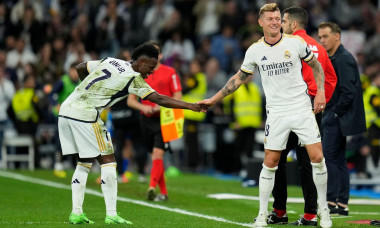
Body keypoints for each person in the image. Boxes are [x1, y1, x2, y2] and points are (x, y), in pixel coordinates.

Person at [199, 3, 332, 228]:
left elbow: (317, 66)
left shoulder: (296, 43)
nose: (275, 21)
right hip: (276, 113)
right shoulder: (255, 50)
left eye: (278, 18)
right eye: (270, 18)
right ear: (260, 22)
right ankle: (263, 214)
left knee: (316, 158)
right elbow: (237, 79)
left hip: (301, 108)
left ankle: (323, 210)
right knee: (270, 163)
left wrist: (320, 92)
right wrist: (212, 100)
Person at [58, 42, 205, 224]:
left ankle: (76, 213)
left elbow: (80, 67)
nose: (151, 72)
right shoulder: (133, 79)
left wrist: (88, 90)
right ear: (141, 63)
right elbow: (159, 98)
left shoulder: (111, 61)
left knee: (84, 162)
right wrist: (192, 106)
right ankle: (111, 215)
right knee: (108, 161)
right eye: (150, 68)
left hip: (66, 110)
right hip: (86, 114)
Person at [268, 6, 337, 226]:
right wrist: (320, 100)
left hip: (292, 107)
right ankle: (309, 214)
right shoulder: (319, 47)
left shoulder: (288, 45)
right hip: (313, 109)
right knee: (308, 162)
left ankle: (279, 211)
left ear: (293, 25)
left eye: (284, 21)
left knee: (275, 158)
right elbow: (330, 78)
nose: (281, 25)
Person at [318, 22, 367, 216]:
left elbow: (348, 92)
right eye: (320, 37)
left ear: (337, 36)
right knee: (337, 159)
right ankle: (341, 203)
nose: (322, 40)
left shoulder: (343, 58)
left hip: (338, 116)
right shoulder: (338, 57)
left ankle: (331, 201)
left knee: (331, 158)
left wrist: (334, 114)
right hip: (339, 115)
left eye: (325, 36)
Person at [127, 40, 182, 201]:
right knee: (155, 157)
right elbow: (131, 100)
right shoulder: (140, 74)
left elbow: (178, 95)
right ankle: (163, 193)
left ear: (161, 55)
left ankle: (151, 187)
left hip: (164, 120)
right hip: (146, 119)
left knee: (158, 153)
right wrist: (144, 108)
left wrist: (162, 107)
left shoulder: (170, 72)